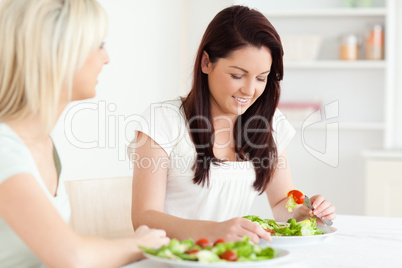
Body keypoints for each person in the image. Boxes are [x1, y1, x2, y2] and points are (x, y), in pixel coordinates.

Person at [129, 5, 336, 244]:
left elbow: (281, 203)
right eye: (237, 75)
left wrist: (306, 213)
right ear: (206, 62)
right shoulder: (163, 121)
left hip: (234, 257)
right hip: (174, 257)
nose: (249, 90)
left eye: (261, 78)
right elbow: (144, 218)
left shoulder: (269, 124)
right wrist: (213, 231)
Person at [0, 0, 169, 267]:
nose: (107, 57)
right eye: (99, 44)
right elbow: (72, 257)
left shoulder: (45, 145)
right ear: (59, 53)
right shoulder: (4, 148)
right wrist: (141, 243)